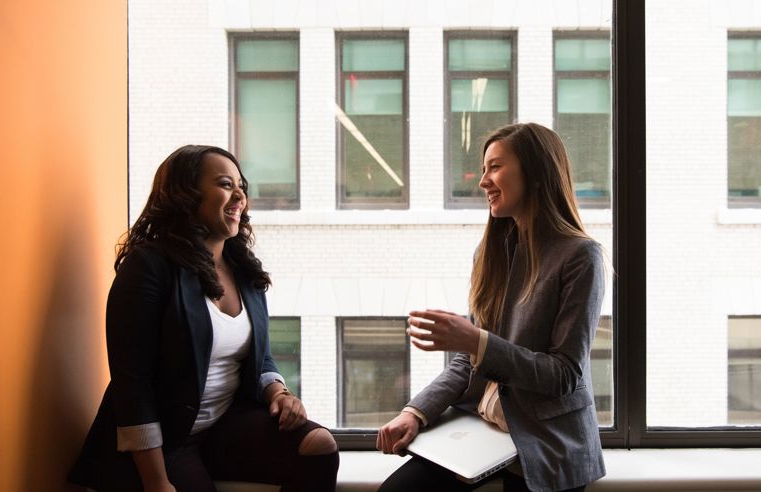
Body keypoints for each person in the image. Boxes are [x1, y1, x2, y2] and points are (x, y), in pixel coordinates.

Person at [68, 145, 339, 492]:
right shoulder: (149, 267)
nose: (240, 194)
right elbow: (132, 384)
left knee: (319, 446)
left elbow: (261, 355)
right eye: (226, 184)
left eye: (242, 185)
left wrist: (278, 392)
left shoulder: (243, 270)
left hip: (222, 426)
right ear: (185, 194)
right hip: (163, 442)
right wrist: (156, 482)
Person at [376, 123, 607, 492]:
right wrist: (415, 412)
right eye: (484, 170)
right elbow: (470, 360)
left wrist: (477, 342)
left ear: (535, 173)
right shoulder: (492, 253)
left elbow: (564, 375)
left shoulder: (581, 256)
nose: (483, 181)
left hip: (545, 440)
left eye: (495, 167)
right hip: (482, 432)